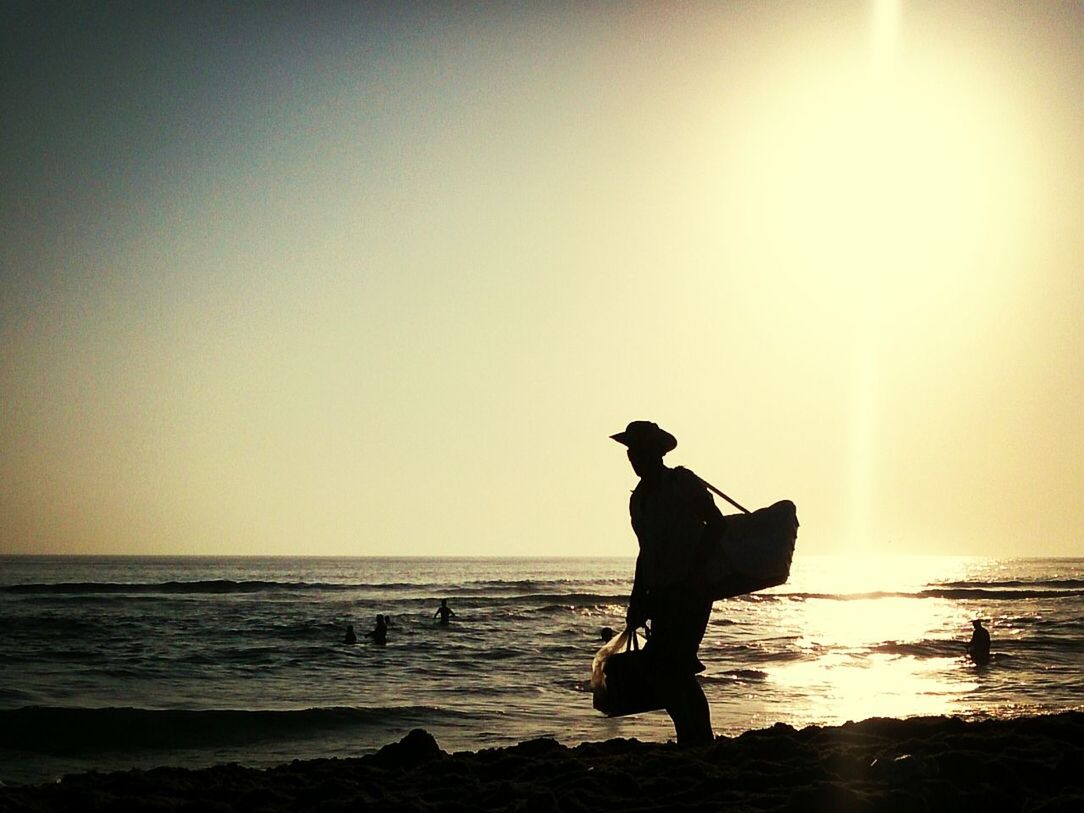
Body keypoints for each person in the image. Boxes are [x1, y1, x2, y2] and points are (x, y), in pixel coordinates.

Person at [611, 420, 726, 746]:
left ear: (655, 453)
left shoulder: (682, 483)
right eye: (630, 451)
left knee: (673, 669)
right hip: (660, 595)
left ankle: (700, 741)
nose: (632, 457)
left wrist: (696, 571)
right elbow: (644, 553)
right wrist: (637, 600)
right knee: (669, 671)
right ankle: (695, 740)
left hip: (691, 591)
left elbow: (716, 524)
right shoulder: (638, 500)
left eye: (637, 450)